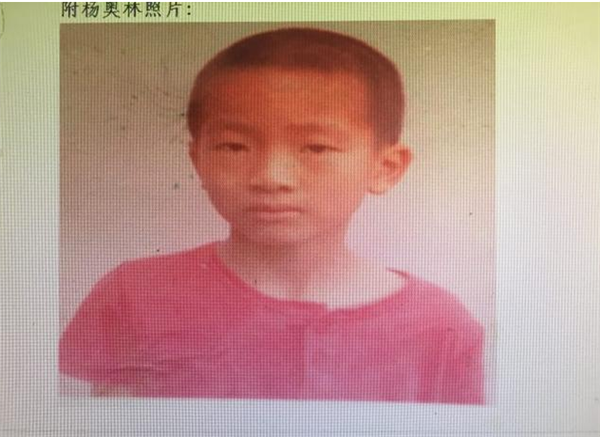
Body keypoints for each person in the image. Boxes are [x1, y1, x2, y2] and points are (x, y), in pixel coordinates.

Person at [60, 27, 484, 404]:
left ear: (385, 168)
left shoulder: (438, 323)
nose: (270, 177)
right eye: (234, 146)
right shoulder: (137, 294)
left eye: (316, 148)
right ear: (198, 160)